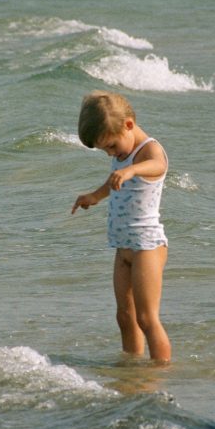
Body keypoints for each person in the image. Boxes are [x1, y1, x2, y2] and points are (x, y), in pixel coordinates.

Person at [71, 91, 171, 363]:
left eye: (111, 147)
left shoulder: (148, 150)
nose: (110, 154)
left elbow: (158, 165)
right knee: (125, 316)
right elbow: (112, 182)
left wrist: (131, 170)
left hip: (146, 246)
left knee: (146, 318)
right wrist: (94, 196)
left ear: (128, 125)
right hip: (123, 247)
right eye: (105, 150)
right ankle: (131, 368)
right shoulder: (123, 152)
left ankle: (159, 374)